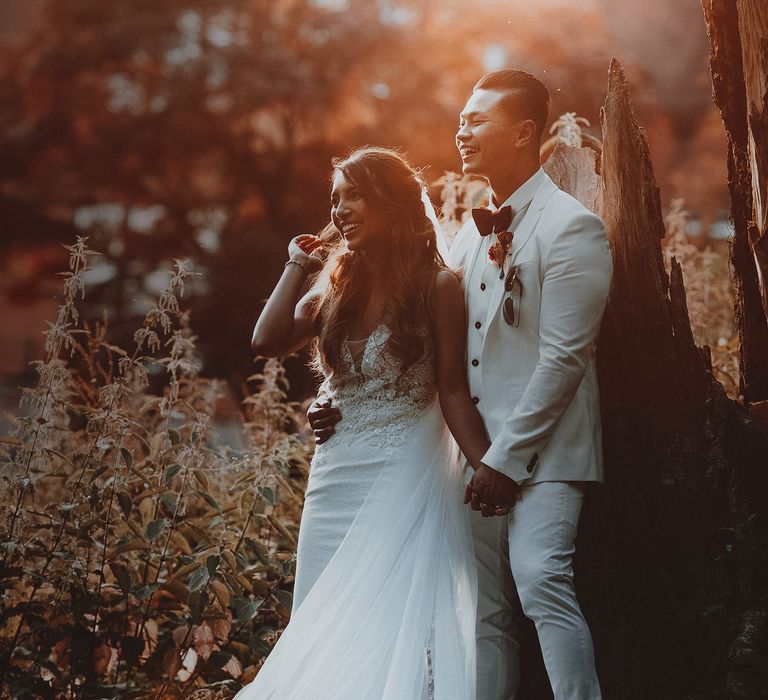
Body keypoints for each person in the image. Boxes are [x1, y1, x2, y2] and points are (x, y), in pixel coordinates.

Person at [310, 70, 613, 700]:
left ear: (524, 131)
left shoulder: (572, 228)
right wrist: (336, 397)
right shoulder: (466, 240)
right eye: (461, 119)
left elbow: (564, 361)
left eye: (477, 120)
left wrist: (504, 460)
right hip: (468, 461)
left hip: (547, 452)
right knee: (480, 610)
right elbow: (431, 356)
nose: (461, 130)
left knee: (540, 581)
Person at [237, 146, 495, 699]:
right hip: (334, 474)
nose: (341, 209)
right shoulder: (335, 286)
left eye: (353, 195)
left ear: (392, 201)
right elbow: (265, 340)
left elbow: (453, 392)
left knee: (392, 617)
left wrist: (490, 468)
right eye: (335, 199)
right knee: (318, 615)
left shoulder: (438, 286)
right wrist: (298, 262)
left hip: (402, 471)